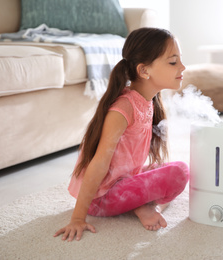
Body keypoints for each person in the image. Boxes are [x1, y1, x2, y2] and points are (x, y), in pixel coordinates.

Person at [54, 27, 189, 242]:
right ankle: (143, 206)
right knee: (178, 173)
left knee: (177, 168)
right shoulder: (123, 109)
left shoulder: (148, 101)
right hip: (102, 197)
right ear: (144, 70)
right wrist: (78, 217)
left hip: (126, 180)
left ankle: (142, 204)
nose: (182, 67)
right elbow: (98, 164)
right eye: (173, 62)